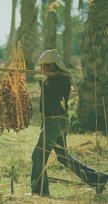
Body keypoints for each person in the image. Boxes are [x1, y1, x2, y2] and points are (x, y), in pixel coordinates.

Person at [30, 49, 108, 196]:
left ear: (55, 66)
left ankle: (39, 191)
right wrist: (45, 79)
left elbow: (54, 96)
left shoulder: (62, 80)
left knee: (38, 156)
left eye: (46, 66)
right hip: (56, 122)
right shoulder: (51, 79)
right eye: (41, 66)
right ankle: (97, 178)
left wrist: (46, 81)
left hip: (55, 122)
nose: (42, 69)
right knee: (63, 157)